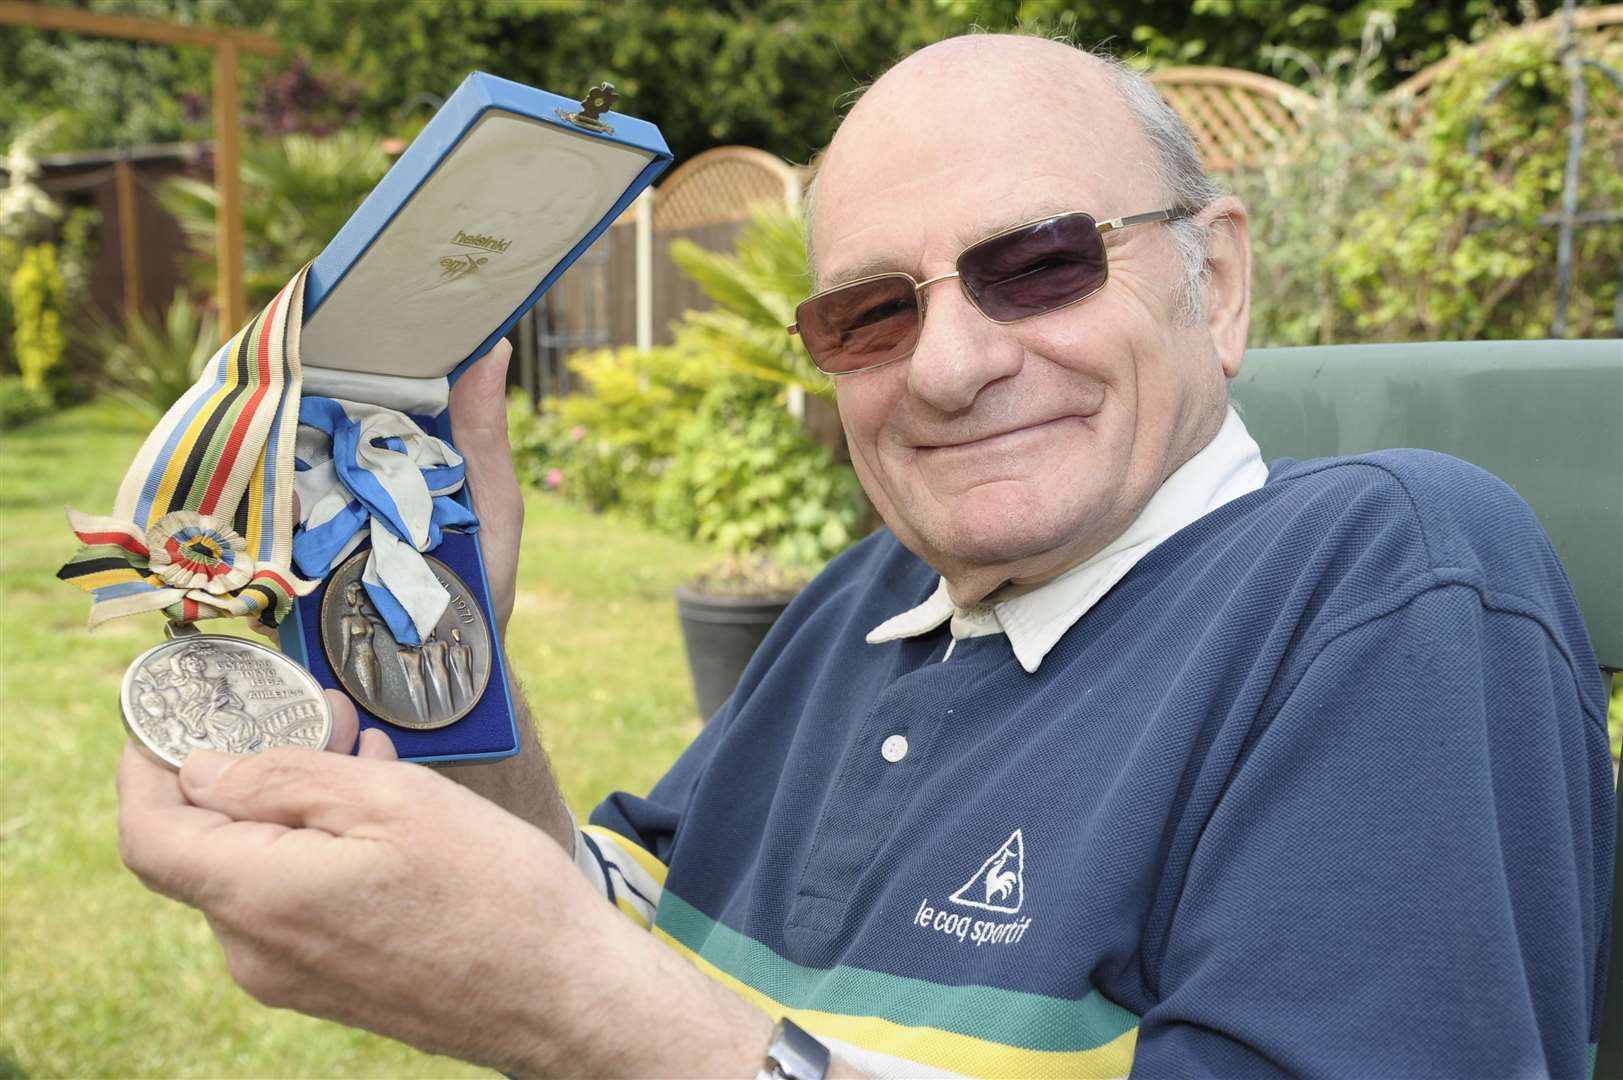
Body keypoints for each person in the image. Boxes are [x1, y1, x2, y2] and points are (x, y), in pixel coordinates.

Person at [116, 34, 1613, 1078]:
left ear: (1215, 281)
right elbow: (615, 931)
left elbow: (606, 996)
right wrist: (453, 670)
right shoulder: (883, 594)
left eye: (1040, 266)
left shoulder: (1386, 578)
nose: (949, 366)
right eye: (868, 316)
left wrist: (585, 1017)